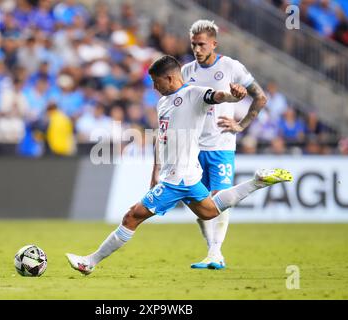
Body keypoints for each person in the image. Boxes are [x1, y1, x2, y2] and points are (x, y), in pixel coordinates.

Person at [65, 55, 292, 275]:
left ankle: (89, 262)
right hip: (184, 175)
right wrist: (155, 169)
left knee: (131, 216)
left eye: (156, 82)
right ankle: (257, 182)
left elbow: (219, 96)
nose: (154, 87)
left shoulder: (194, 94)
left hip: (178, 178)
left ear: (170, 78)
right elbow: (160, 137)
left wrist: (235, 95)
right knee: (209, 211)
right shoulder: (163, 102)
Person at [181, 20, 268, 270]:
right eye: (193, 44)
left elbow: (261, 97)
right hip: (194, 148)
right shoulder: (187, 71)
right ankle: (213, 252)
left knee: (219, 198)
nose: (197, 49)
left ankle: (215, 253)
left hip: (220, 146)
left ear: (214, 44)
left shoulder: (230, 66)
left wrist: (241, 125)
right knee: (198, 204)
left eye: (201, 45)